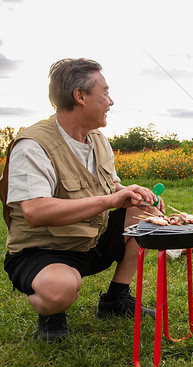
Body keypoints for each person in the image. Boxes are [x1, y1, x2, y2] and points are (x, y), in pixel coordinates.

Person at [0, 58, 164, 342]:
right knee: (60, 288)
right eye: (105, 92)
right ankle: (51, 311)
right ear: (80, 96)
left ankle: (115, 299)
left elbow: (109, 185)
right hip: (44, 249)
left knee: (146, 214)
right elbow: (35, 212)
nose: (110, 101)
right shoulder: (33, 146)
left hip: (91, 237)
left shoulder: (98, 138)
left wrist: (128, 192)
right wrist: (111, 201)